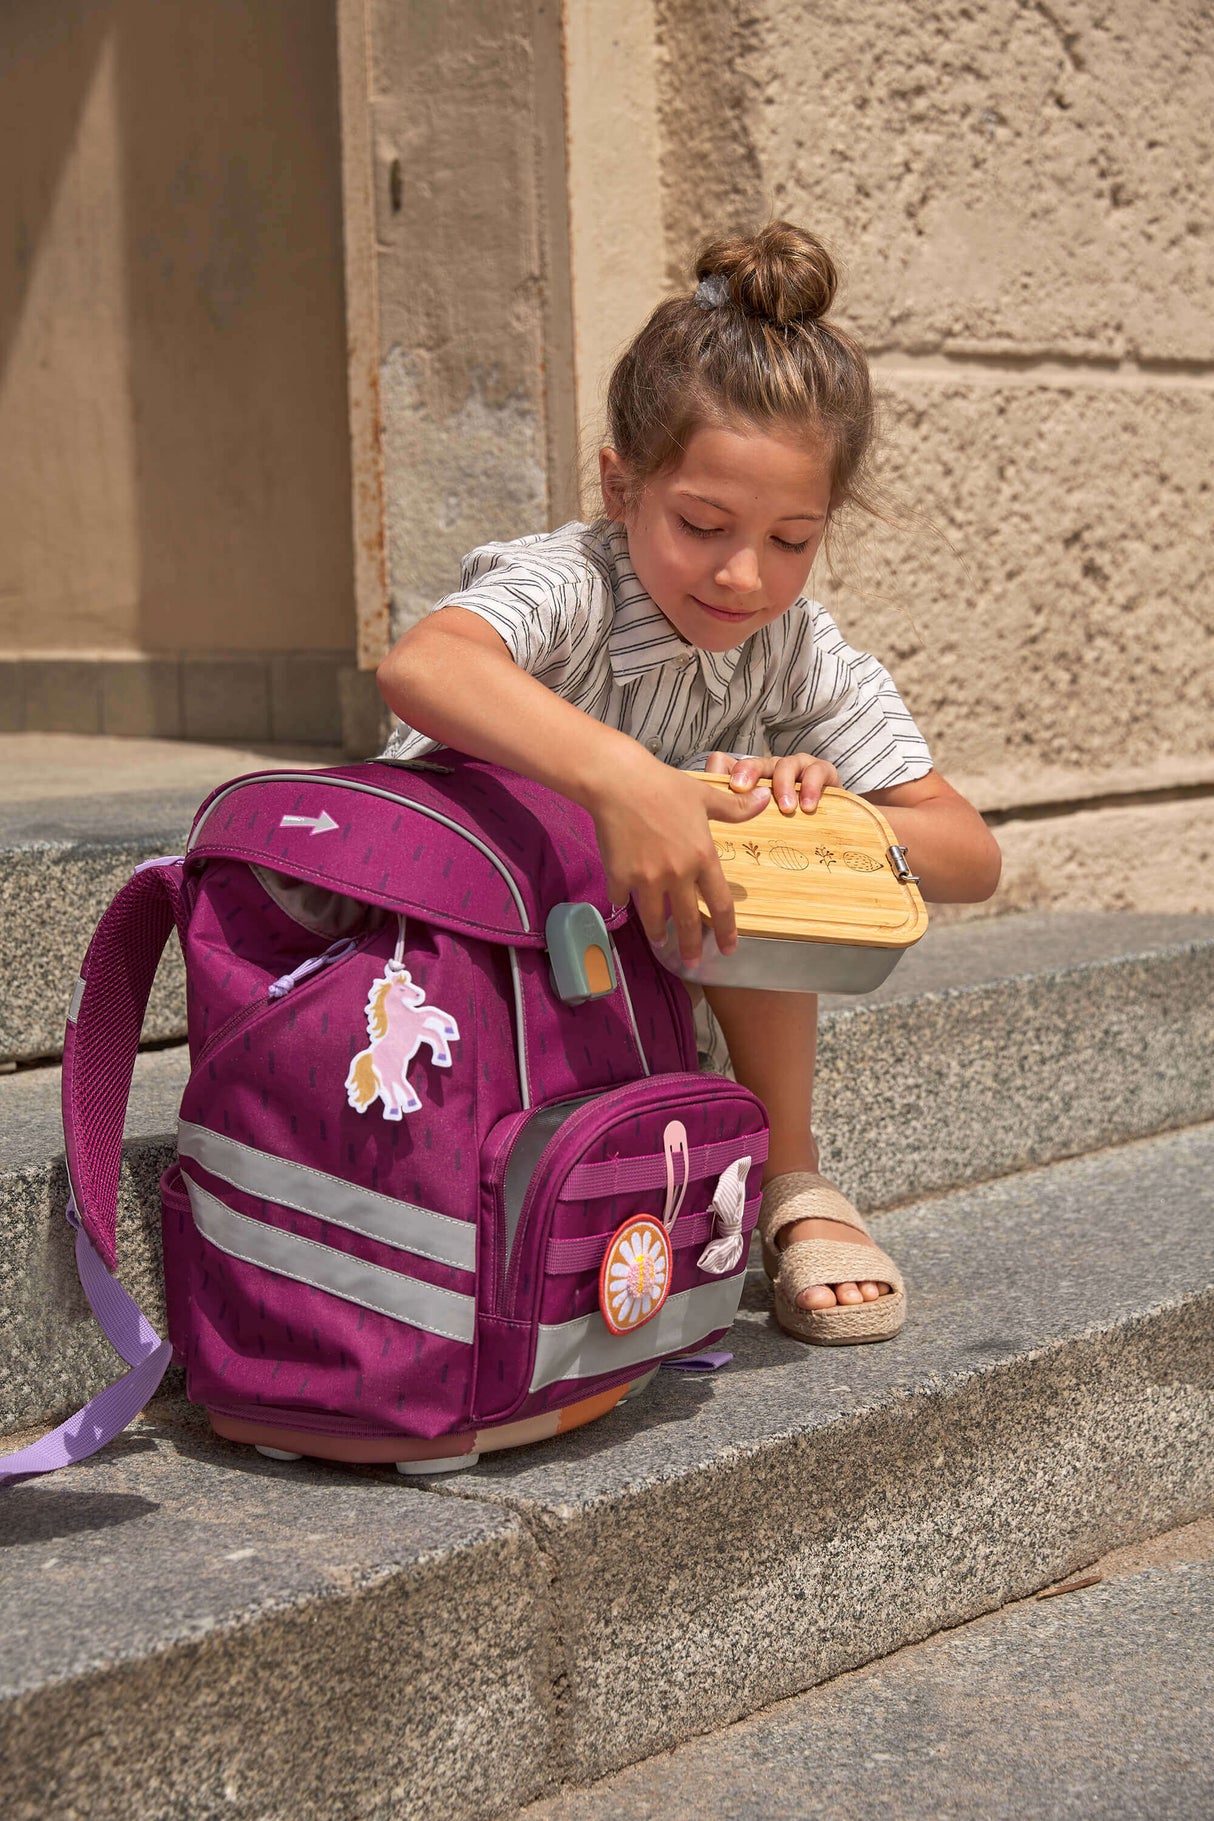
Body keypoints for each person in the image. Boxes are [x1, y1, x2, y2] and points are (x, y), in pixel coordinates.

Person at [376, 221, 1001, 1346]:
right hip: (466, 962)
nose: (741, 574)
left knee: (764, 836)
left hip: (627, 970)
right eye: (701, 524)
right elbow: (423, 667)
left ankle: (792, 1183)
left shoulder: (794, 645)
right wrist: (629, 781)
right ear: (621, 486)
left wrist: (826, 809)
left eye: (791, 539)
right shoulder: (566, 584)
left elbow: (967, 853)